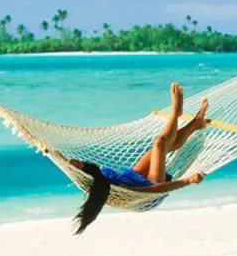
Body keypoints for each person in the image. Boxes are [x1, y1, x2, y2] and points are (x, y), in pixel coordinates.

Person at [55, 83, 210, 234]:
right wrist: (188, 181)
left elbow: (64, 162)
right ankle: (176, 113)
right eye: (81, 164)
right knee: (159, 143)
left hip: (131, 180)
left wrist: (48, 149)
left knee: (161, 148)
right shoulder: (116, 191)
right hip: (147, 195)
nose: (77, 161)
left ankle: (197, 123)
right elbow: (155, 189)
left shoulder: (89, 178)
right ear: (89, 170)